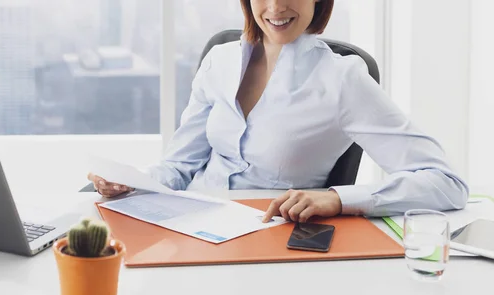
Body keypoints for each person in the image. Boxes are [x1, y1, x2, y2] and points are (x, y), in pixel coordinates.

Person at [88, 0, 469, 224]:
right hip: (189, 224)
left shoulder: (342, 79)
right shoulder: (218, 62)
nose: (276, 6)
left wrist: (338, 198)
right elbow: (178, 167)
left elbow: (445, 183)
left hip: (272, 237)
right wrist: (134, 181)